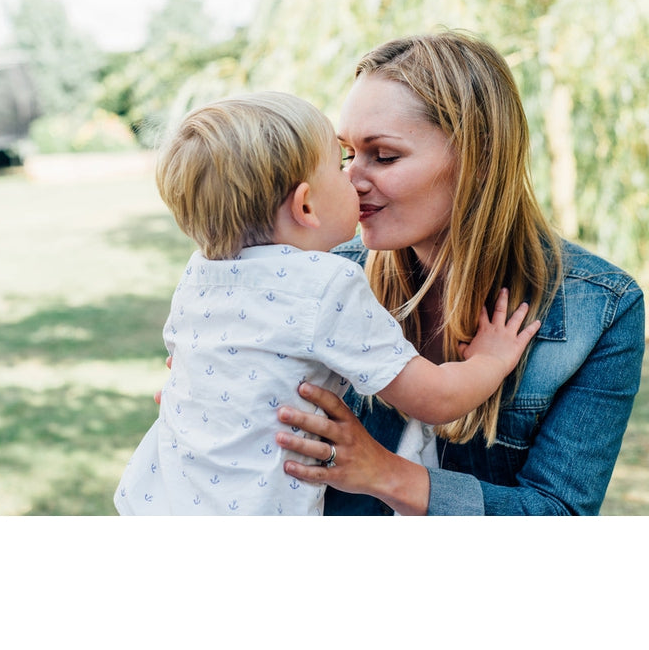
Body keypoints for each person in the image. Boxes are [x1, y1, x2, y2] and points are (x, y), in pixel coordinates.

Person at [114, 91, 540, 515]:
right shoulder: (326, 285)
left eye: (381, 157)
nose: (354, 178)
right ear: (305, 205)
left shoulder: (197, 276)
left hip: (163, 498)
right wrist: (491, 360)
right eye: (340, 165)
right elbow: (436, 400)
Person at [275, 31, 646, 516]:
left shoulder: (599, 309)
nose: (350, 181)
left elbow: (560, 513)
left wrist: (384, 472)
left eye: (383, 156)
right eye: (347, 154)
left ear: (479, 155)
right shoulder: (323, 274)